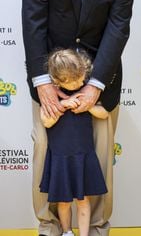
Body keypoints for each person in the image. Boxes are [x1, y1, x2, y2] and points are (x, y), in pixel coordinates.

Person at [21, 0, 135, 235]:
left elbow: (118, 26)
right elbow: (33, 21)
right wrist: (43, 81)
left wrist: (95, 85)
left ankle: (96, 229)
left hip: (100, 80)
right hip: (51, 77)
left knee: (99, 155)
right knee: (46, 151)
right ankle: (50, 227)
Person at [40, 49, 108, 236]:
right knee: (63, 201)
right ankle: (67, 231)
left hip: (83, 155)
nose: (81, 83)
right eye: (75, 81)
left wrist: (88, 105)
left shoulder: (86, 93)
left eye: (82, 78)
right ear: (58, 81)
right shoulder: (51, 98)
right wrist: (63, 105)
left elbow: (104, 114)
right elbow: (46, 121)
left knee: (83, 199)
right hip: (61, 157)